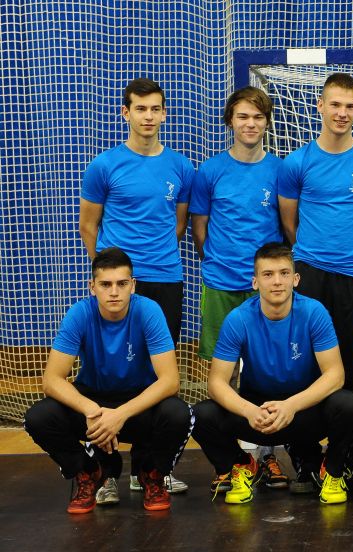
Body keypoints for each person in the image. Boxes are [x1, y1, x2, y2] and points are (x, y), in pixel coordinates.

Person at [278, 73, 353, 490]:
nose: (342, 113)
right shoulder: (297, 162)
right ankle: (307, 460)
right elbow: (289, 223)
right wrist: (312, 256)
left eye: (349, 106)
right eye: (335, 105)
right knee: (304, 366)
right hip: (309, 275)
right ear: (320, 107)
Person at [24, 248, 192, 514]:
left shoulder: (149, 311)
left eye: (122, 284)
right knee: (38, 417)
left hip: (138, 404)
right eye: (105, 284)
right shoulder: (80, 313)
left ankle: (152, 475)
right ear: (92, 287)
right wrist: (91, 410)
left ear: (133, 285)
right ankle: (88, 471)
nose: (114, 292)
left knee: (180, 413)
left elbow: (170, 381)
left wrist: (120, 414)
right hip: (94, 401)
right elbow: (51, 380)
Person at [191, 243, 353, 505]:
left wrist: (291, 406)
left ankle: (332, 472)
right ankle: (241, 465)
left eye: (284, 273)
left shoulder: (314, 312)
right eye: (268, 274)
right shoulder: (238, 319)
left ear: (296, 279)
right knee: (200, 414)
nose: (277, 281)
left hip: (302, 410)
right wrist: (249, 411)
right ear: (255, 282)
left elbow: (335, 374)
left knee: (349, 403)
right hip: (258, 414)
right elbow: (216, 383)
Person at [190, 86, 288, 492]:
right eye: (243, 116)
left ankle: (266, 455)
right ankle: (235, 460)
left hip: (264, 291)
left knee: (267, 372)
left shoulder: (280, 170)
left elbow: (287, 226)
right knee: (223, 374)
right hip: (221, 285)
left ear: (267, 122)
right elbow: (199, 229)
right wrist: (220, 264)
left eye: (258, 117)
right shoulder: (210, 172)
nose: (250, 124)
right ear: (230, 120)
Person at [79, 78, 194, 344]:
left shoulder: (182, 167)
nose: (148, 116)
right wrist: (109, 269)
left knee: (162, 356)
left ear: (164, 114)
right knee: (117, 355)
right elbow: (87, 226)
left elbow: (178, 225)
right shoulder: (103, 165)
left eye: (155, 109)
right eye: (141, 109)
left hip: (166, 277)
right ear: (126, 112)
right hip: (119, 280)